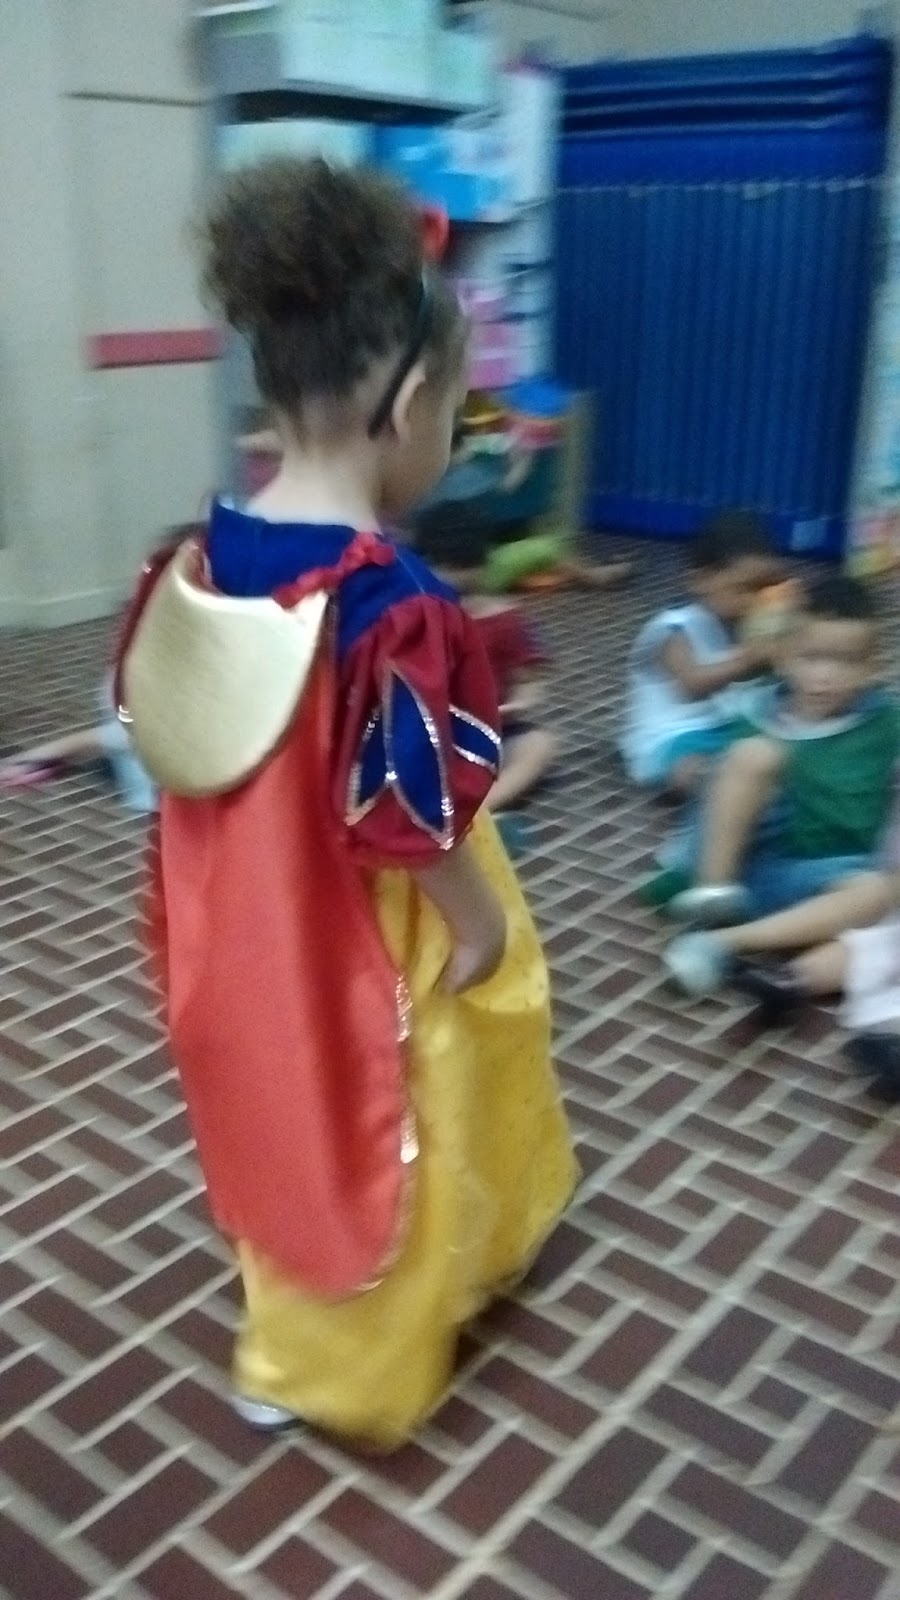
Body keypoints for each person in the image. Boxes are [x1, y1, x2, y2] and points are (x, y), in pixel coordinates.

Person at [116, 158, 577, 1450]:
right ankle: (350, 1353)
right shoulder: (391, 602)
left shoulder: (206, 554)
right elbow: (410, 820)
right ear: (410, 401)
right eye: (461, 413)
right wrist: (479, 922)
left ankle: (288, 1342)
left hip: (245, 918)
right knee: (404, 1111)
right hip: (370, 923)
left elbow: (175, 740)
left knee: (284, 1116)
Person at [665, 575, 900, 993]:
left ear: (871, 668)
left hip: (818, 876)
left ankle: (723, 943)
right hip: (741, 863)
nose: (825, 676)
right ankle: (711, 904)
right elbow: (709, 776)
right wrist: (696, 773)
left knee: (879, 892)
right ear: (784, 657)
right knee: (754, 754)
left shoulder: (884, 724)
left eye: (847, 662)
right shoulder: (758, 711)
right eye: (811, 658)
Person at [621, 510, 779, 796]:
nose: (752, 601)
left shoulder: (745, 627)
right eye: (742, 589)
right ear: (699, 580)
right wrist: (747, 660)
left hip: (725, 727)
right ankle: (714, 789)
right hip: (671, 737)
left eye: (761, 590)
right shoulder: (674, 627)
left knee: (767, 742)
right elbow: (692, 684)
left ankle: (746, 784)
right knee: (689, 765)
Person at [461, 593, 557, 814]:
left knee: (538, 745)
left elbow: (530, 678)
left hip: (495, 730)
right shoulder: (418, 619)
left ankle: (478, 810)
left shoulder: (509, 619)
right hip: (432, 731)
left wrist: (518, 703)